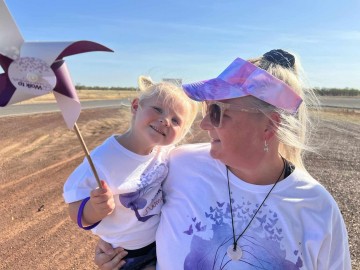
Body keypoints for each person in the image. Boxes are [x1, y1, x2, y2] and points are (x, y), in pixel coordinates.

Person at [94, 49, 351, 269]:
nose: (204, 124)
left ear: (269, 126)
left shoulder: (317, 209)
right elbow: (136, 221)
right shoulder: (177, 165)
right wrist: (120, 256)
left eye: (217, 112)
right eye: (207, 109)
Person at [63, 75, 198, 269]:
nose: (166, 120)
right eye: (158, 109)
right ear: (136, 107)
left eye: (176, 120)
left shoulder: (164, 152)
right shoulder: (102, 160)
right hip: (126, 254)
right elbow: (74, 206)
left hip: (162, 242)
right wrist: (94, 209)